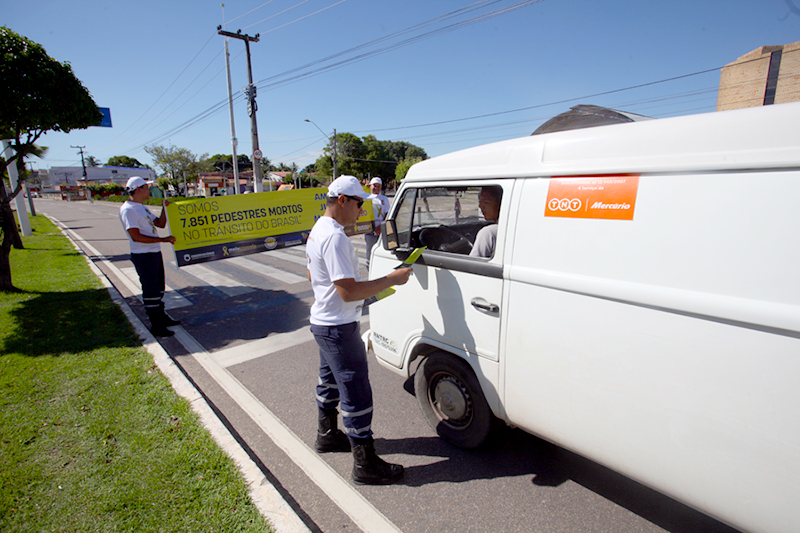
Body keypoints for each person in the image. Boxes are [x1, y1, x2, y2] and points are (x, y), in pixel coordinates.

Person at [306, 175, 413, 485]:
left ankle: (326, 435)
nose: (361, 210)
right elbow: (348, 291)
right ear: (342, 200)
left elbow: (314, 274)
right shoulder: (335, 237)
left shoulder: (319, 229)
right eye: (358, 203)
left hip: (324, 322)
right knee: (356, 390)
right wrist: (392, 279)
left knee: (329, 381)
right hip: (338, 327)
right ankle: (364, 464)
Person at [119, 176, 180, 337]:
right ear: (138, 189)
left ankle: (162, 317)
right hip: (143, 256)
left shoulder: (142, 207)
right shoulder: (128, 210)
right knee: (151, 290)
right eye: (147, 188)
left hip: (154, 253)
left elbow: (160, 224)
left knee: (159, 288)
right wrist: (163, 239)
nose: (149, 191)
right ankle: (156, 325)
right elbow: (136, 236)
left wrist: (164, 209)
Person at [364, 177, 391, 269]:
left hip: (381, 229)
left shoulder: (384, 199)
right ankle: (370, 267)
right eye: (374, 186)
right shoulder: (365, 197)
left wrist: (381, 227)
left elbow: (387, 213)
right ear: (370, 186)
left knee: (382, 249)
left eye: (378, 186)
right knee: (370, 249)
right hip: (369, 230)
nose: (376, 188)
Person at [470, 186, 502, 258]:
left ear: (500, 204)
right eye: (479, 201)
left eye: (486, 202)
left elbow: (472, 265)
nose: (480, 206)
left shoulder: (489, 232)